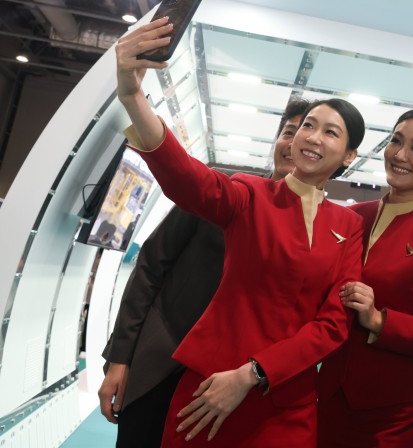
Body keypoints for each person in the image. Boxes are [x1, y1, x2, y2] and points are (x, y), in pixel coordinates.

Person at [114, 17, 365, 446]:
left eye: (330, 132)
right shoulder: (250, 195)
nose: (312, 137)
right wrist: (133, 95)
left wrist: (255, 373)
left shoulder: (348, 225)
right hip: (205, 393)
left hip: (285, 402)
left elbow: (333, 324)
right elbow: (185, 178)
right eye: (308, 125)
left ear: (349, 156)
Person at [97, 98, 309, 448]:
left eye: (310, 134)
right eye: (290, 131)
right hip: (162, 365)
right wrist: (120, 359)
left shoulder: (316, 234)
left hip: (233, 386)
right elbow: (150, 267)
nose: (296, 142)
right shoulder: (218, 193)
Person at [318, 102, 413, 447]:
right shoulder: (352, 217)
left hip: (397, 409)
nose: (399, 155)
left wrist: (378, 320)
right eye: (395, 141)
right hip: (330, 391)